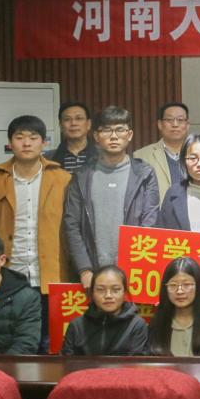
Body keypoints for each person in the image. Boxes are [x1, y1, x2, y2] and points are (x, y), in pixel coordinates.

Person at [0, 115, 72, 354]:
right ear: (10, 143)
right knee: (12, 342)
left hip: (51, 275)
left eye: (33, 137)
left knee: (51, 344)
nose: (26, 143)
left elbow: (71, 229)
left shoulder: (63, 179)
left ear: (44, 142)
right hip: (9, 275)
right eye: (19, 137)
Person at [64, 105, 160, 289]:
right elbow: (72, 225)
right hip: (92, 272)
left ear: (129, 135)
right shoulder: (81, 176)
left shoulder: (144, 173)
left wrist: (136, 266)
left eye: (120, 129)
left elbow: (150, 223)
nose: (114, 136)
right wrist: (84, 269)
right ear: (96, 136)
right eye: (106, 130)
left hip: (133, 271)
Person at [148, 257, 200, 357]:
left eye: (186, 284)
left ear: (199, 286)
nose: (180, 291)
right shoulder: (157, 323)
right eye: (173, 285)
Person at [60, 265, 148, 356]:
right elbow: (66, 361)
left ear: (124, 292)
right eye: (101, 290)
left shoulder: (136, 325)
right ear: (92, 293)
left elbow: (136, 362)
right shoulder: (77, 325)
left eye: (116, 290)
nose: (108, 296)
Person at [134, 101, 190, 204]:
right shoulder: (141, 156)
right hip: (157, 213)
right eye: (169, 120)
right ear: (160, 124)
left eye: (180, 120)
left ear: (187, 125)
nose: (175, 124)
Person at [48, 102, 97, 173]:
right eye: (67, 119)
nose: (73, 123)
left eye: (79, 118)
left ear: (88, 124)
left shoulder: (105, 156)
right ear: (60, 126)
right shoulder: (48, 158)